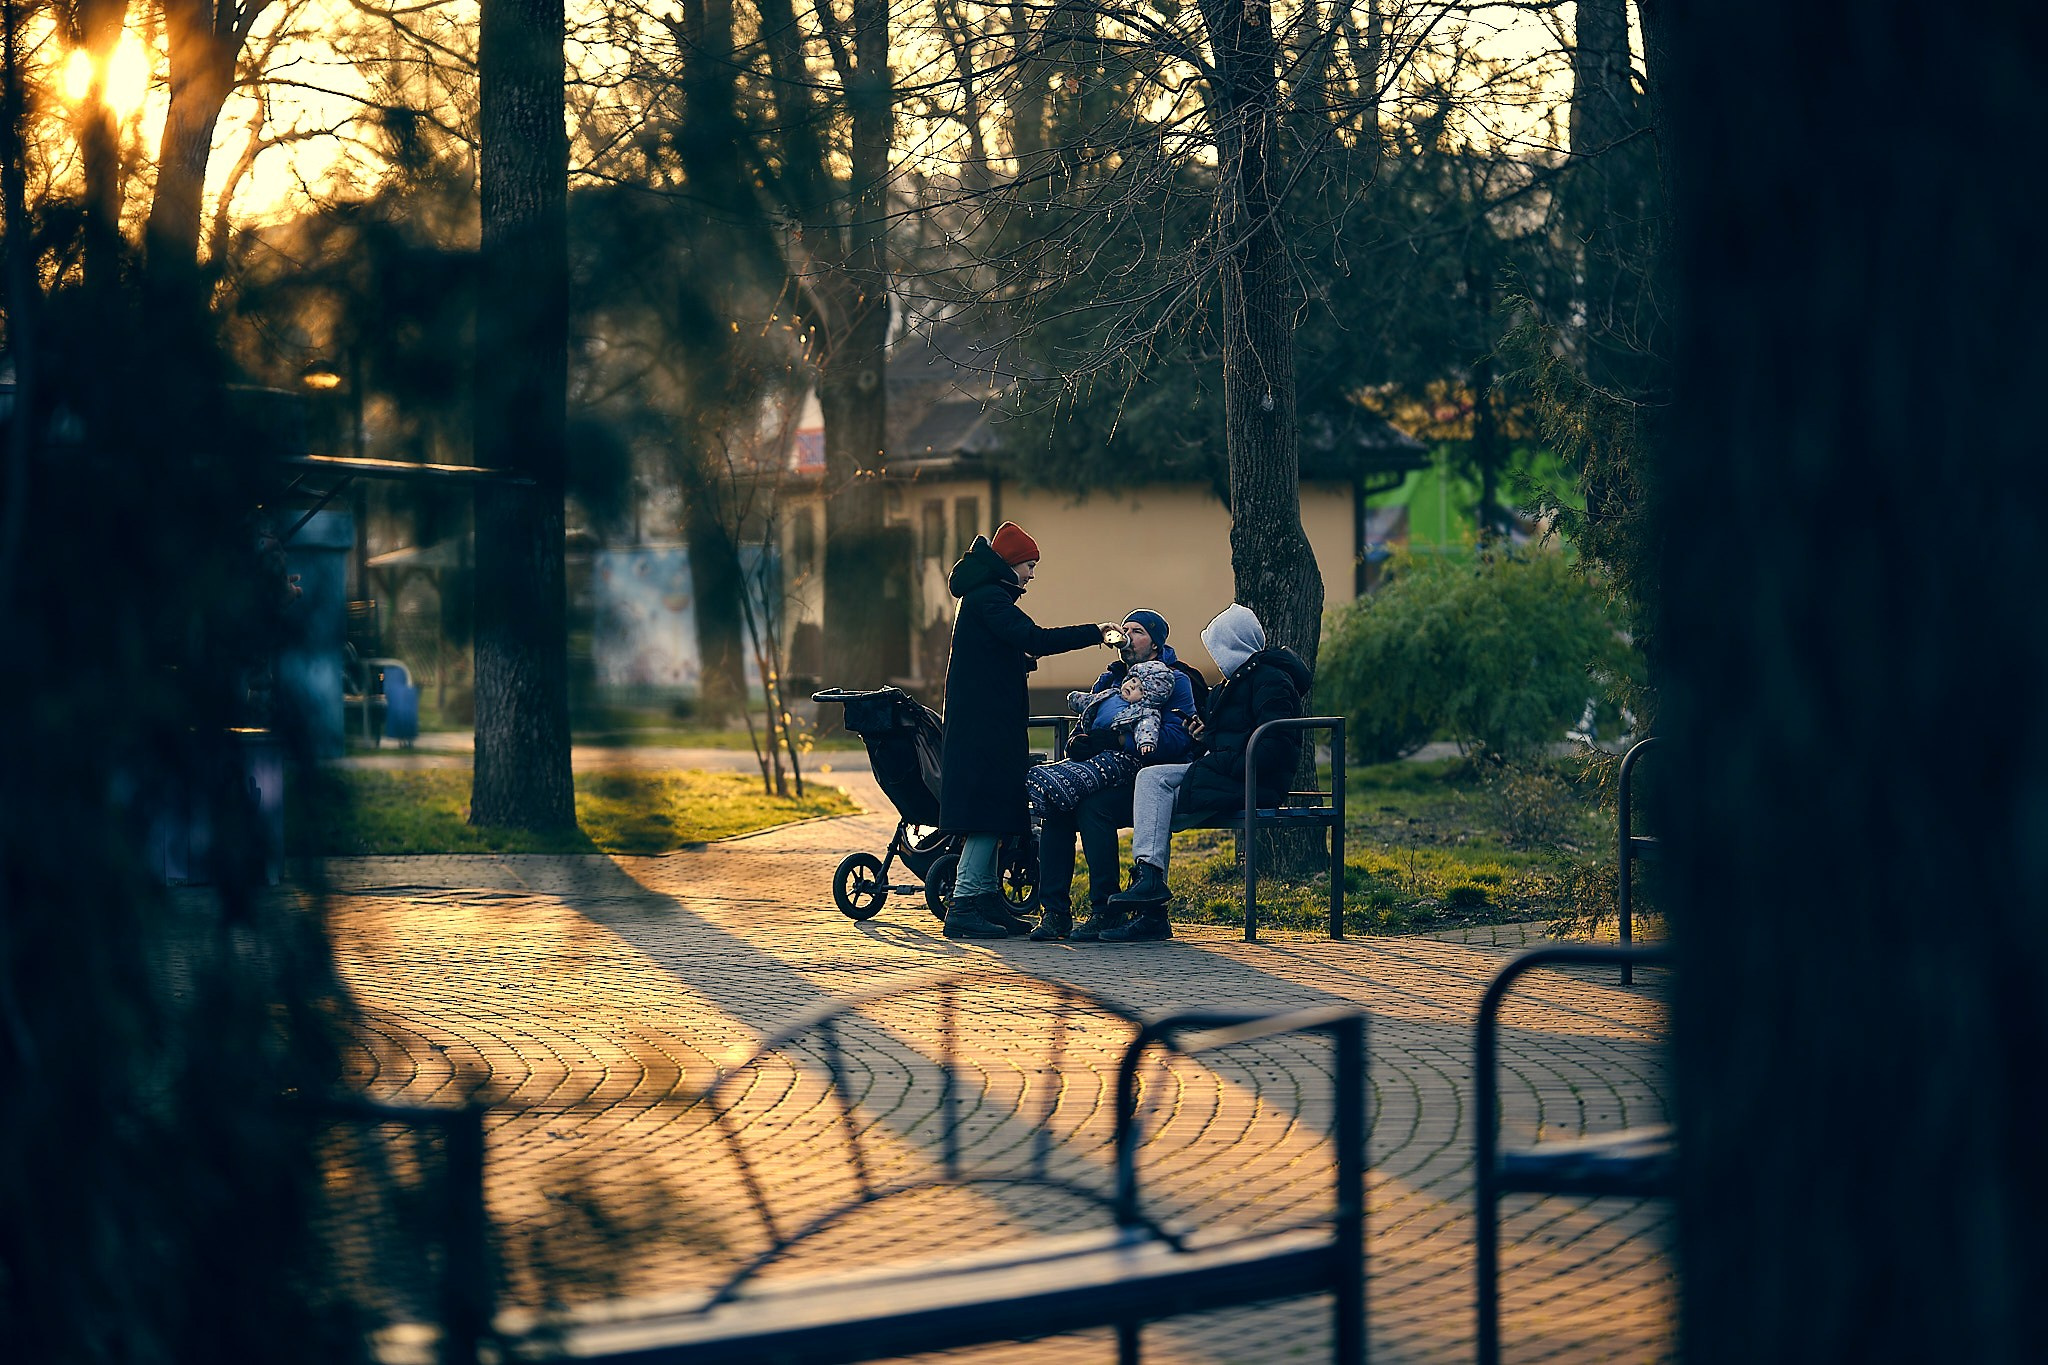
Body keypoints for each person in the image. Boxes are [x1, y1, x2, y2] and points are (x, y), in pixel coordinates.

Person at [936, 521, 1115, 939]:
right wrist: (1095, 632)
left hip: (988, 725)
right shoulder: (989, 600)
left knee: (997, 809)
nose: (1032, 574)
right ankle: (964, 903)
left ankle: (982, 898)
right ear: (1012, 563)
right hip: (984, 729)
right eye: (1029, 565)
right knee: (986, 812)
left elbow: (999, 652)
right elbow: (1033, 637)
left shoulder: (983, 599)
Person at [1100, 603, 1311, 943]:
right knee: (1152, 779)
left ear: (1233, 644)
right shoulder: (1235, 681)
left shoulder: (1270, 680)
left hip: (1252, 781)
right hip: (1228, 771)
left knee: (1155, 790)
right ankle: (1149, 887)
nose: (1215, 657)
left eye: (1218, 647)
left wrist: (1217, 757)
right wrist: (1205, 735)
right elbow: (1233, 735)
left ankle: (1150, 899)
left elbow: (1273, 746)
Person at [1038, 609, 1209, 942]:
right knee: (1058, 804)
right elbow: (1086, 721)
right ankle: (1054, 912)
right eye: (1125, 629)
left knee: (1093, 809)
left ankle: (1105, 910)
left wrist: (1120, 740)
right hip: (1102, 771)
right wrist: (1080, 742)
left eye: (1138, 631)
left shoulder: (1174, 679)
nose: (1128, 636)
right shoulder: (1111, 679)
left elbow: (1178, 740)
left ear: (1156, 645)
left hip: (1147, 778)